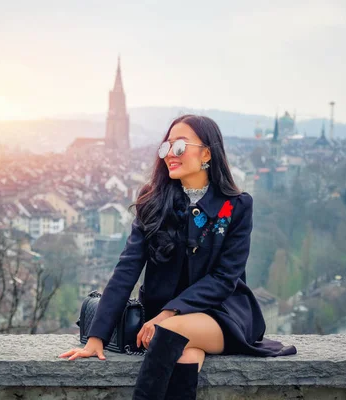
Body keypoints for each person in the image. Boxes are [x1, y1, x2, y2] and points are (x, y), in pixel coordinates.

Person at [59, 115, 297, 399]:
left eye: (180, 146)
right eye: (167, 147)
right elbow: (127, 269)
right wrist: (96, 338)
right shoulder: (152, 201)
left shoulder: (237, 206)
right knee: (185, 354)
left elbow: (224, 278)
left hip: (221, 314)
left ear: (207, 152)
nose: (170, 154)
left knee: (168, 333)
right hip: (162, 319)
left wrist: (169, 313)